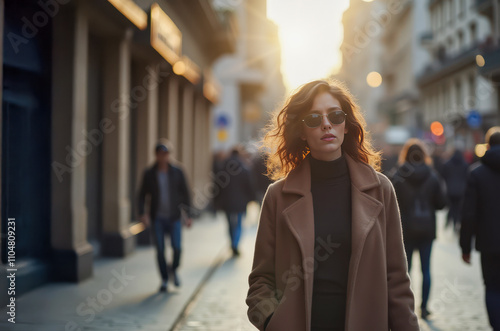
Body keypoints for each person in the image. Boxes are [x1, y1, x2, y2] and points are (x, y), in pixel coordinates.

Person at [246, 80, 419, 331]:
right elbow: (261, 279)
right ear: (302, 131)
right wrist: (273, 321)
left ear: (347, 125)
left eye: (336, 116)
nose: (326, 124)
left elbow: (397, 280)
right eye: (313, 119)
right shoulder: (278, 196)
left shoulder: (380, 190)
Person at [391, 138, 447, 319]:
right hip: (427, 228)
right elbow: (441, 204)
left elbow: (391, 203)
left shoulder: (398, 176)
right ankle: (424, 308)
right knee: (426, 269)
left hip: (405, 229)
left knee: (405, 270)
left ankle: (407, 307)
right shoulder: (432, 175)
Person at [138, 139, 192, 292]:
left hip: (174, 217)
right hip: (157, 218)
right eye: (161, 154)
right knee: (160, 250)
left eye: (166, 154)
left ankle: (173, 269)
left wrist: (188, 215)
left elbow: (186, 193)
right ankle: (164, 279)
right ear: (156, 155)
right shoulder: (149, 173)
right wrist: (143, 213)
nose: (164, 157)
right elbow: (142, 195)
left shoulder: (178, 171)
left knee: (177, 248)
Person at [460, 127, 500, 330]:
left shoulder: (477, 173)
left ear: (488, 145)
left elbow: (469, 214)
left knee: (492, 287)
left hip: (489, 243)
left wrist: (465, 247)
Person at [219, 146, 255, 256]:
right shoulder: (244, 168)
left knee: (230, 223)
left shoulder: (224, 167)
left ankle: (232, 242)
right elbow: (249, 185)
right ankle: (235, 244)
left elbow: (218, 185)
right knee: (239, 223)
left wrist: (217, 201)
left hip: (227, 201)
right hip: (241, 201)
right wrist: (251, 198)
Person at [441, 148, 468, 232]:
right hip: (461, 190)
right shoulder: (465, 165)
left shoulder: (447, 164)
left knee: (451, 207)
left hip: (450, 189)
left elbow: (443, 175)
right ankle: (456, 222)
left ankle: (449, 221)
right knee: (458, 208)